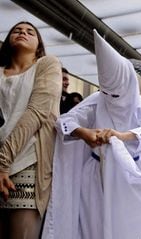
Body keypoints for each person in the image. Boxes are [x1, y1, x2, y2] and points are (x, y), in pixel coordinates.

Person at [42, 30, 141, 239]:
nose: (112, 100)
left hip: (126, 181)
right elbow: (65, 121)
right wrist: (83, 133)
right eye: (106, 93)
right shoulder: (98, 100)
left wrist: (122, 136)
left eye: (116, 94)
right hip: (94, 178)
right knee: (93, 228)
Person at [0, 21, 62, 238]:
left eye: (30, 32)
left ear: (39, 45)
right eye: (16, 30)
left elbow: (37, 113)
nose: (22, 33)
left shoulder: (47, 65)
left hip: (28, 161)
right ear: (8, 39)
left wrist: (3, 161)